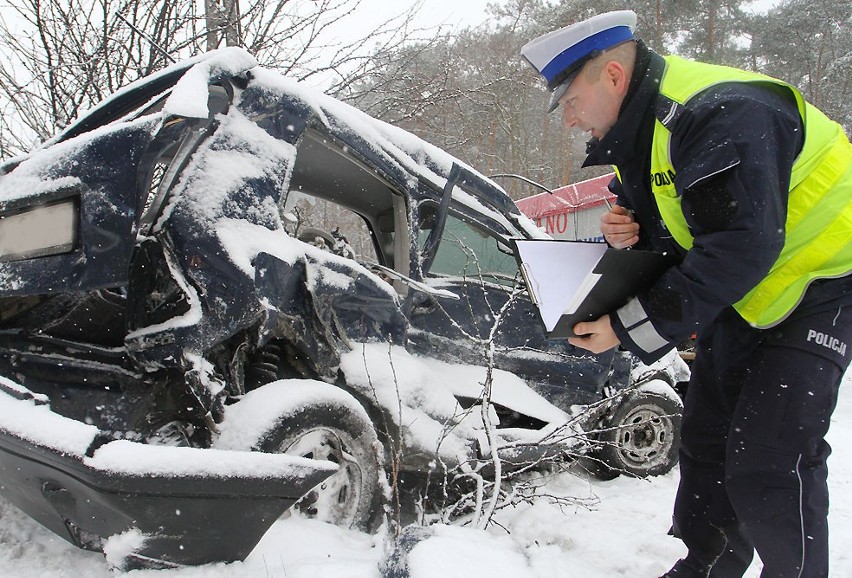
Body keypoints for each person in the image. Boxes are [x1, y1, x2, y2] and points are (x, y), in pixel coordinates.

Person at [521, 10, 851, 578]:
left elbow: (739, 245)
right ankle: (702, 568)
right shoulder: (640, 134)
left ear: (614, 78)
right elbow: (682, 224)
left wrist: (626, 328)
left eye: (569, 101)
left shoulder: (721, 114)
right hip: (744, 296)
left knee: (769, 458)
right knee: (707, 446)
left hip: (821, 282)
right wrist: (633, 229)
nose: (569, 120)